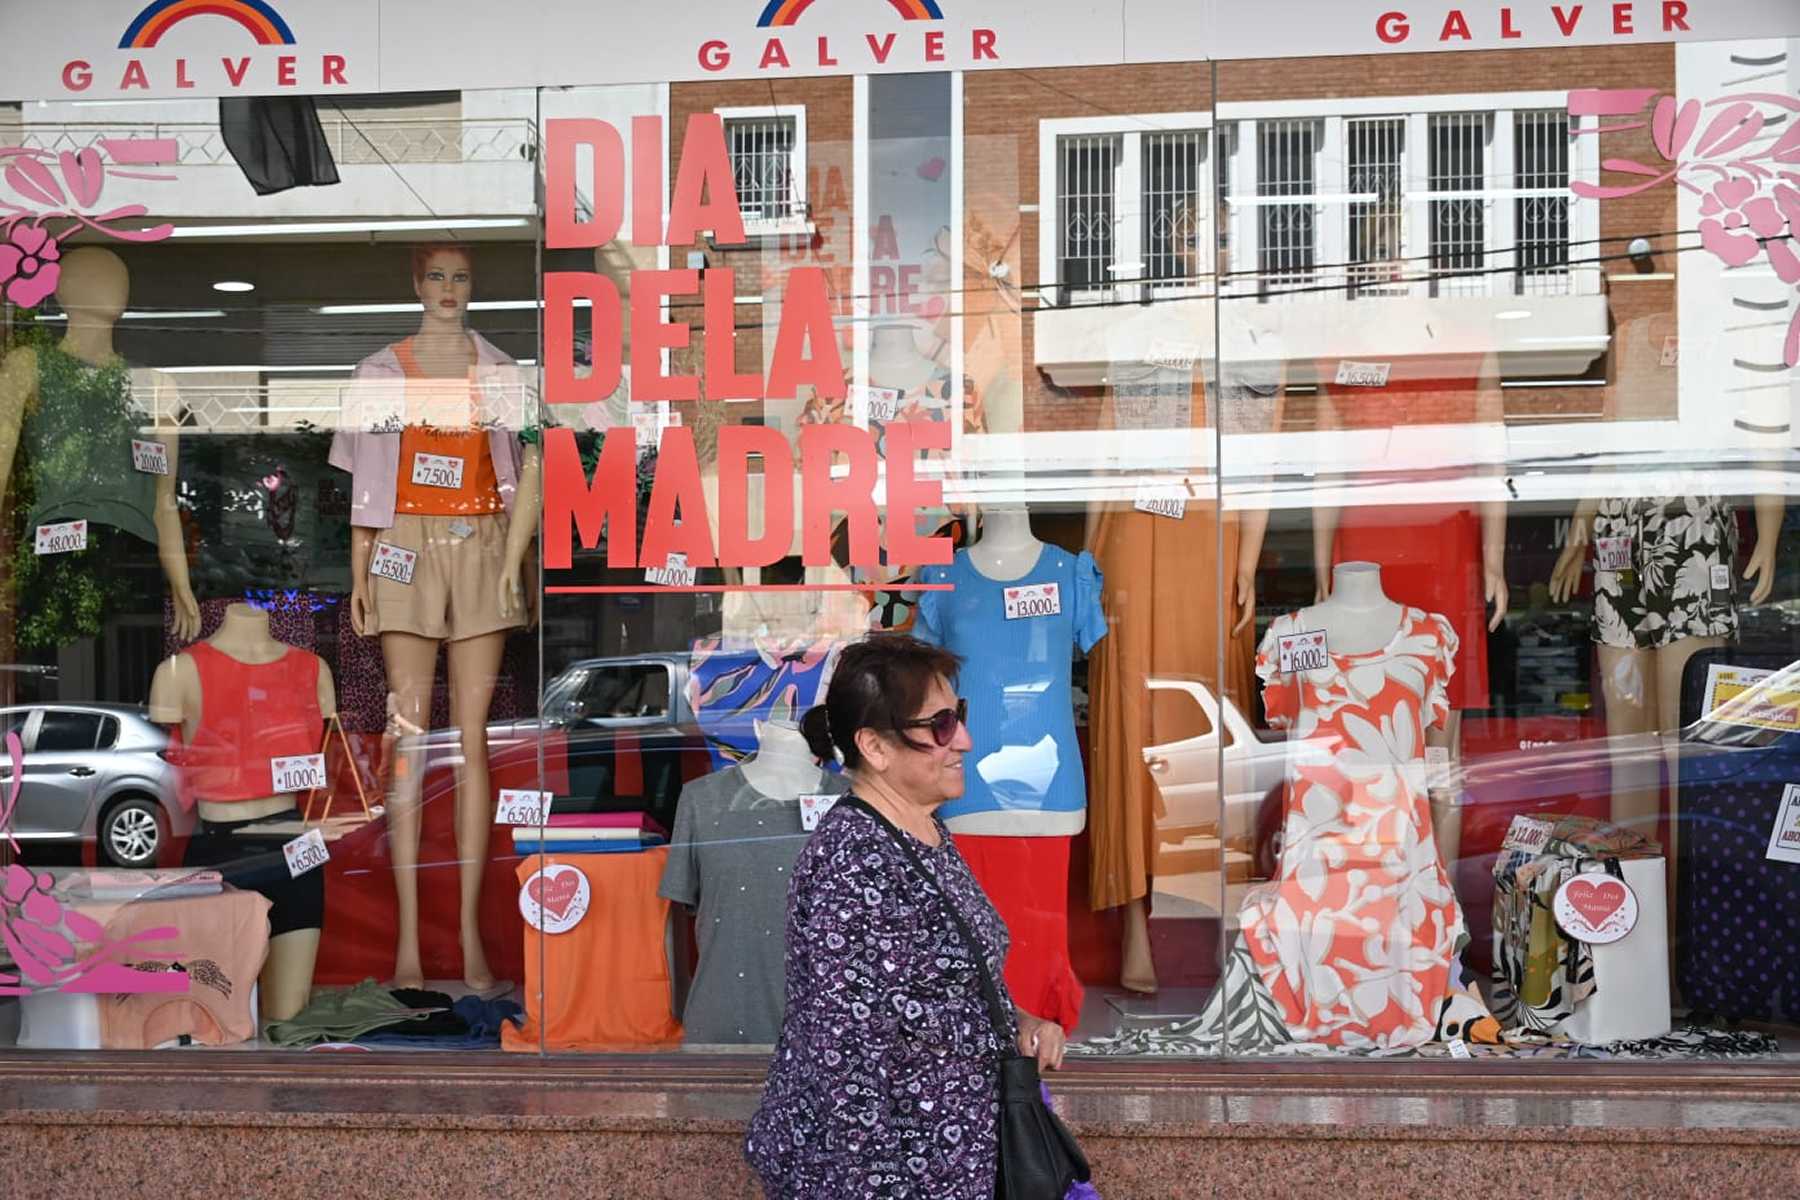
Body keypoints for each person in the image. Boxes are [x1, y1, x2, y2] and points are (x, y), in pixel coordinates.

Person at [745, 634, 1067, 1200]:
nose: (964, 740)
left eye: (958, 717)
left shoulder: (921, 829)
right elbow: (843, 1064)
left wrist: (1014, 1021)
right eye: (940, 725)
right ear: (875, 746)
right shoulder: (854, 860)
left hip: (950, 1165)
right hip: (891, 1181)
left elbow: (936, 986)